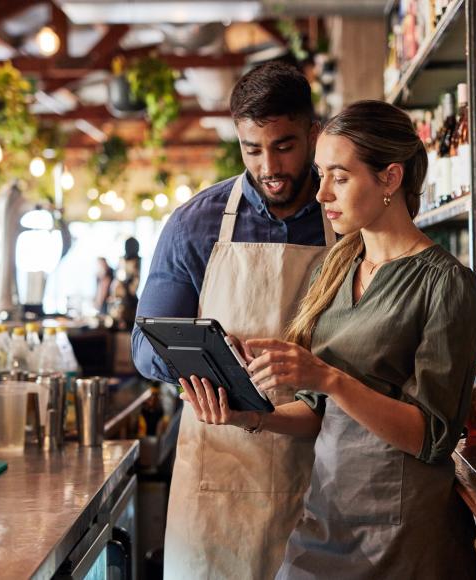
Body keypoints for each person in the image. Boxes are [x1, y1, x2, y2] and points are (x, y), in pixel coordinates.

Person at [180, 100, 476, 579]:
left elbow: (433, 437)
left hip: (402, 532)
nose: (321, 193)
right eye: (320, 174)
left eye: (339, 177)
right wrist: (252, 416)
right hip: (326, 514)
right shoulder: (335, 266)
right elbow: (316, 414)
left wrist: (328, 377)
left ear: (390, 178)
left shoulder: (446, 283)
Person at [131, 61, 336, 579]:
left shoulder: (344, 218)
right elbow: (143, 344)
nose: (269, 165)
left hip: (322, 474)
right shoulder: (195, 223)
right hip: (218, 479)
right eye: (252, 149)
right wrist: (209, 355)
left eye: (285, 146)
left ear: (313, 134)